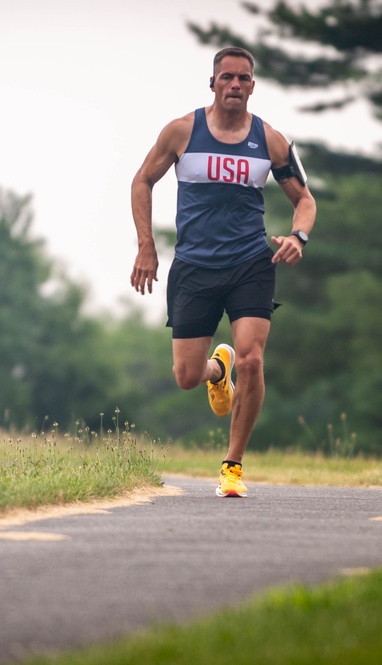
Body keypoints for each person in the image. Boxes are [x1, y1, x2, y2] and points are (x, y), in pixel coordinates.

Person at [130, 46, 317, 498]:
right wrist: (146, 247)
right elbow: (142, 181)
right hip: (194, 265)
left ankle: (232, 466)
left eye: (244, 78)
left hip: (251, 262)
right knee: (187, 376)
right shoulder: (181, 132)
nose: (235, 85)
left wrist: (298, 236)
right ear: (213, 83)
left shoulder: (270, 141)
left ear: (253, 86)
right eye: (227, 77)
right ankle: (219, 369)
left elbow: (305, 201)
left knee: (253, 357)